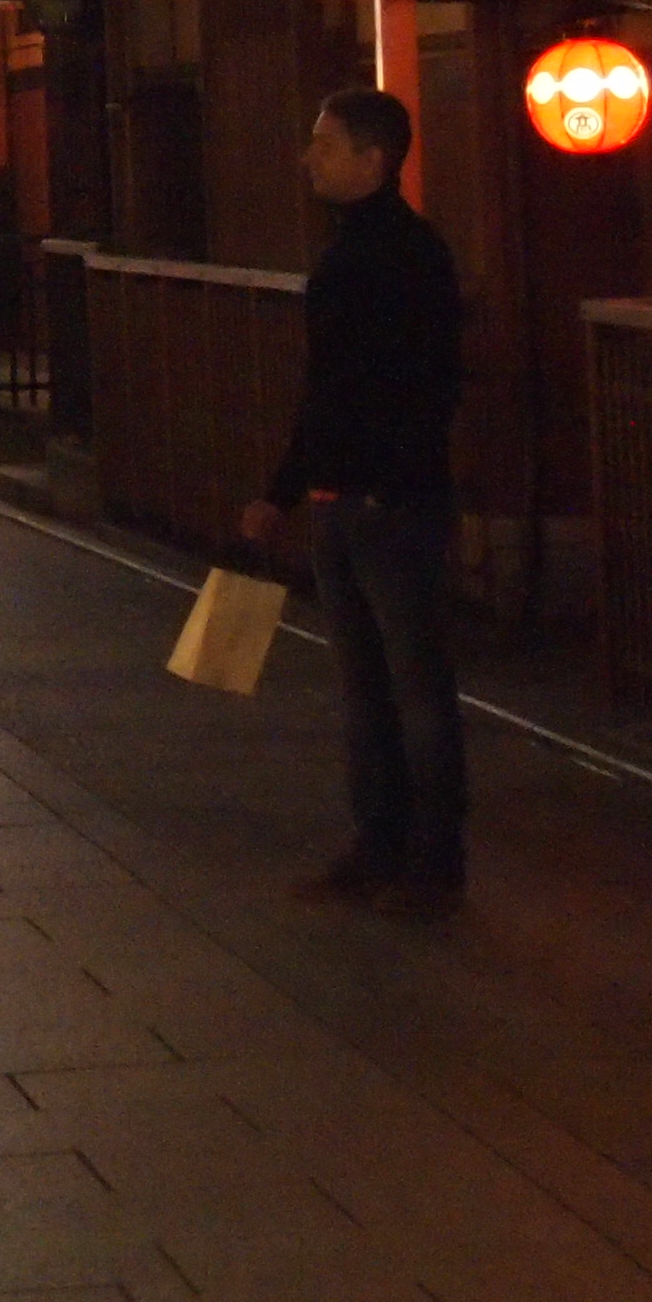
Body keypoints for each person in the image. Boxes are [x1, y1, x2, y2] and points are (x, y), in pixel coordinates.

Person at [240, 86, 468, 919]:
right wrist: (289, 490)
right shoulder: (362, 252)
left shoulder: (404, 257)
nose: (310, 159)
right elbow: (328, 388)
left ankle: (428, 862)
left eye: (327, 144)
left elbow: (417, 387)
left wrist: (350, 483)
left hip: (387, 501)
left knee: (412, 686)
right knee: (369, 685)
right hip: (352, 495)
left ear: (374, 161)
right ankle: (382, 846)